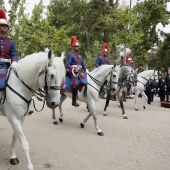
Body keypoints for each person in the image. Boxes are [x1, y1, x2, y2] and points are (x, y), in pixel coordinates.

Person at [66, 36, 87, 107]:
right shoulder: (70, 55)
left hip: (80, 71)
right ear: (73, 47)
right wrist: (74, 69)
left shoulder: (80, 56)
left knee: (86, 81)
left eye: (78, 46)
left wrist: (86, 69)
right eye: (75, 46)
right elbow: (67, 65)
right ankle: (73, 101)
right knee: (75, 83)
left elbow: (83, 64)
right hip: (73, 72)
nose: (77, 48)